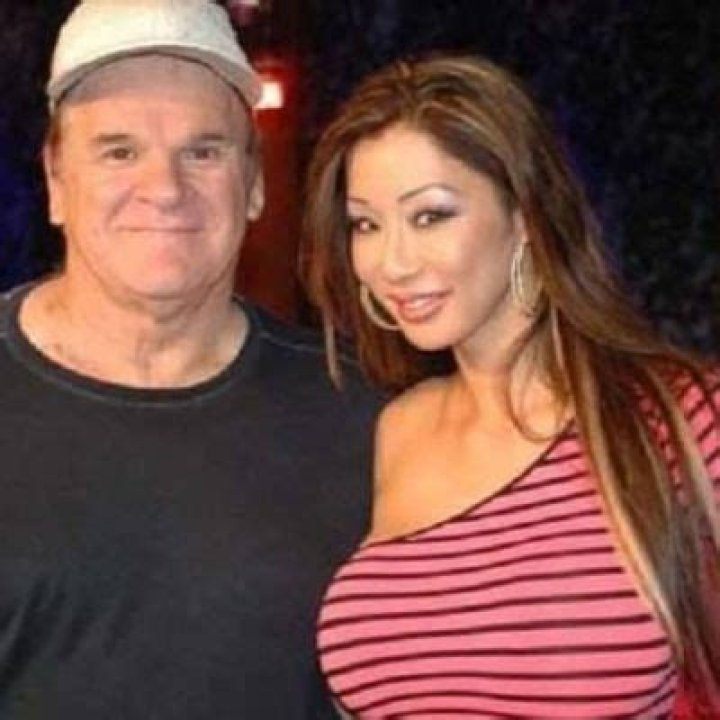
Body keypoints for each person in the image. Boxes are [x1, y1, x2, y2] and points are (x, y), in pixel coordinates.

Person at [303, 54, 720, 717]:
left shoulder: (683, 416)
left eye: (430, 215)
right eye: (365, 224)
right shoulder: (393, 429)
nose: (392, 262)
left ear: (524, 214)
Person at [0, 0, 380, 717]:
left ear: (255, 183)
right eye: (118, 151)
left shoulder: (365, 413)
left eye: (203, 152)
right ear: (55, 181)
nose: (165, 190)